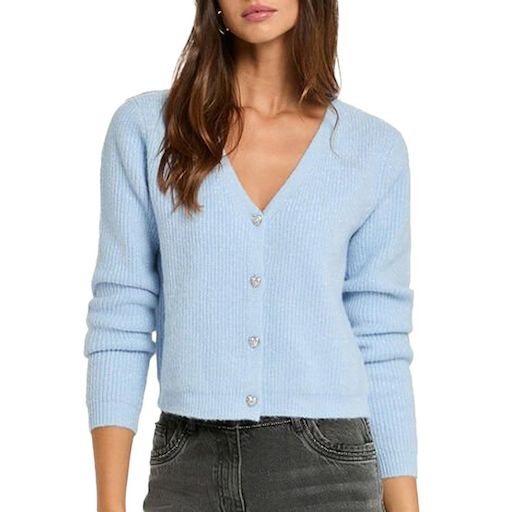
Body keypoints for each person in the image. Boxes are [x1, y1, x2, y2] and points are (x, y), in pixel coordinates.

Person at [83, 1, 419, 511]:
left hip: (327, 470)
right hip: (187, 465)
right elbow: (121, 316)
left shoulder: (373, 149)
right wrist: (109, 504)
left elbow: (380, 339)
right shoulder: (149, 129)